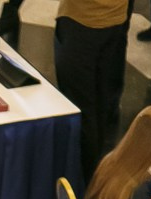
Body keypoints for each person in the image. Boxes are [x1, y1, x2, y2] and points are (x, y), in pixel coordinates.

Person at [54, 0, 130, 182]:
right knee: (102, 111)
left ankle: (82, 186)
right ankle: (96, 183)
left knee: (82, 114)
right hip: (115, 22)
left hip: (82, 24)